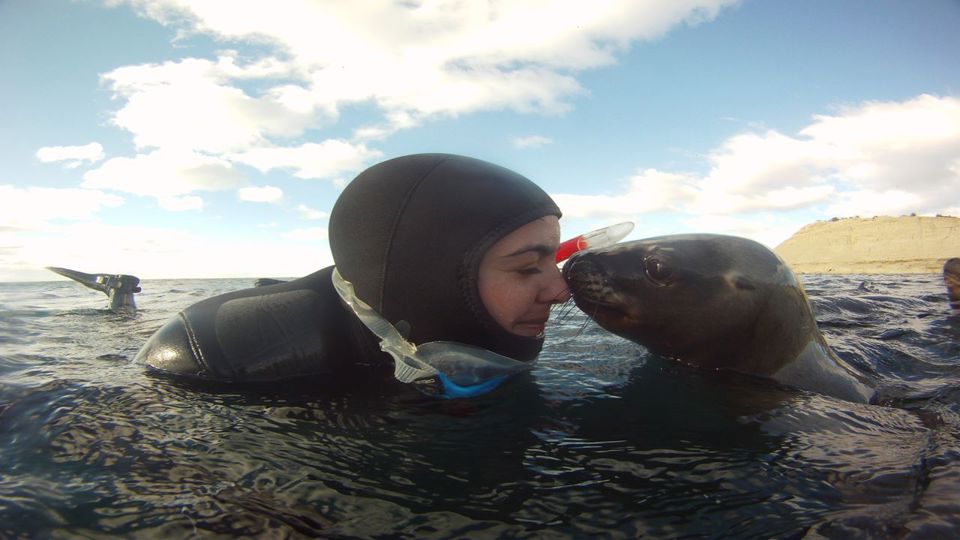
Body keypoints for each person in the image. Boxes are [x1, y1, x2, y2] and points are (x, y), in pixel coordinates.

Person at [134, 153, 571, 397]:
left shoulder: (466, 336)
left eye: (554, 260)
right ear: (426, 278)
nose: (560, 290)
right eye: (528, 267)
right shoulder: (222, 355)